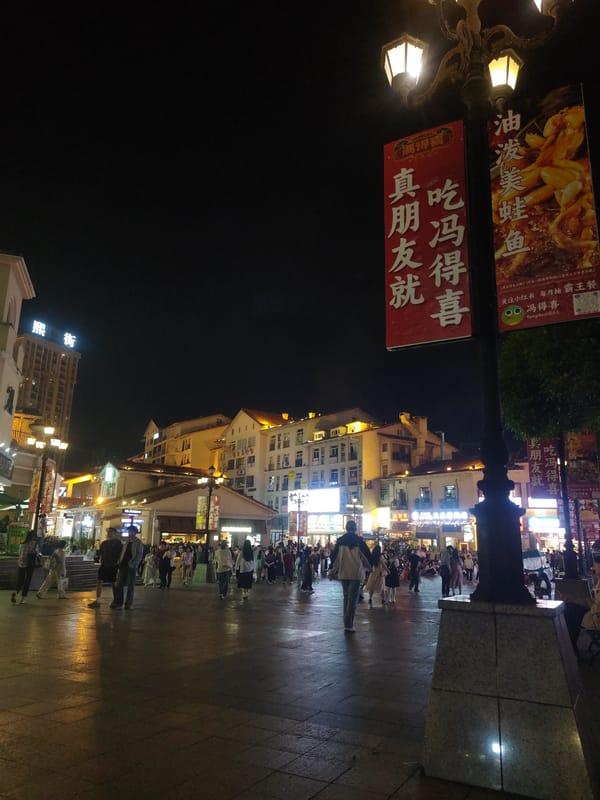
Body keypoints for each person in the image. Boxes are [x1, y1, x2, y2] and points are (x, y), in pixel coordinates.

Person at [329, 520, 372, 633]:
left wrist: (333, 570)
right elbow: (367, 557)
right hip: (355, 573)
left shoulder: (340, 541)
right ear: (355, 528)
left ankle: (346, 622)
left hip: (343, 573)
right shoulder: (359, 541)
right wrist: (369, 568)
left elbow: (334, 557)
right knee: (352, 600)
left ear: (346, 528)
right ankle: (348, 624)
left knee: (346, 598)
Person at [88, 528, 123, 607]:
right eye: (108, 532)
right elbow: (100, 553)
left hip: (113, 565)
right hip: (104, 564)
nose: (109, 534)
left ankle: (116, 600)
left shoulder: (118, 543)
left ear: (115, 533)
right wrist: (100, 558)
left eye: (111, 532)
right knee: (99, 581)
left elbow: (120, 554)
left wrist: (117, 562)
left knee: (113, 582)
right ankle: (98, 600)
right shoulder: (104, 543)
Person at [111, 525, 144, 609]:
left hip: (131, 566)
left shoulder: (138, 542)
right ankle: (119, 602)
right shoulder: (126, 542)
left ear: (135, 532)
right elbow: (123, 552)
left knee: (130, 585)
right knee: (119, 584)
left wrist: (133, 564)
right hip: (123, 565)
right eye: (129, 531)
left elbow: (139, 555)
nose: (130, 533)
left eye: (131, 531)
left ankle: (128, 604)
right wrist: (119, 561)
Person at [11, 530, 40, 604]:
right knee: (27, 581)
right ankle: (23, 598)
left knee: (20, 580)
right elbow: (36, 553)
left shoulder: (23, 544)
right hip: (30, 565)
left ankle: (15, 592)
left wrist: (20, 562)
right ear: (34, 537)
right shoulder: (35, 544)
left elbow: (21, 555)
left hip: (21, 564)